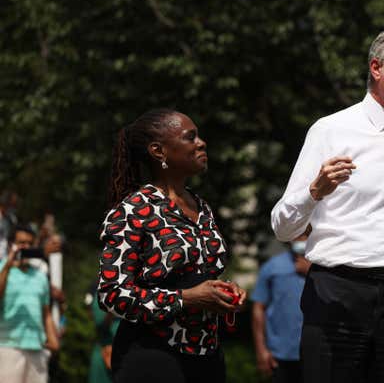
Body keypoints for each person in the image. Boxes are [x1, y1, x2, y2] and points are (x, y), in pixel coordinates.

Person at [271, 26, 384, 382]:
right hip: (340, 293)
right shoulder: (331, 130)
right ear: (377, 68)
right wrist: (315, 190)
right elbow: (282, 227)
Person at [97, 108, 246, 383]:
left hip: (207, 356)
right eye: (190, 137)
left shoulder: (202, 208)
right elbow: (111, 295)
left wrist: (223, 292)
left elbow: (198, 275)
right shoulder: (133, 211)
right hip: (152, 358)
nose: (201, 143)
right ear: (158, 151)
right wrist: (188, 297)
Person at [0, 224, 60, 383]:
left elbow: (45, 312)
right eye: (20, 243)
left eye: (28, 243)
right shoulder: (1, 270)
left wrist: (53, 338)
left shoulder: (40, 276)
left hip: (37, 348)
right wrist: (7, 265)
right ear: (10, 244)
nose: (24, 247)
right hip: (8, 348)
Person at [251, 225, 311, 383]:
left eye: (305, 234)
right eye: (297, 234)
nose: (301, 239)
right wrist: (261, 349)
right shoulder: (272, 267)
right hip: (281, 354)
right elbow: (258, 308)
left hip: (316, 354)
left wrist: (311, 272)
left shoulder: (325, 267)